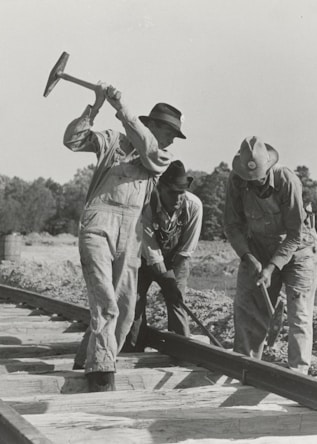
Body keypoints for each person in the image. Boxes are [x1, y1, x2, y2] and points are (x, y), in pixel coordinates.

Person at [64, 81, 186, 391]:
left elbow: (147, 148)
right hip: (98, 224)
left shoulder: (161, 157)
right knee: (106, 301)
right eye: (170, 131)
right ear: (153, 125)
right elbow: (73, 140)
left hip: (130, 232)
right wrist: (95, 106)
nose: (173, 138)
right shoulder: (112, 141)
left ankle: (88, 358)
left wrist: (122, 108)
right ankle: (101, 370)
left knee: (125, 307)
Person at [224, 136, 317, 374]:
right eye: (250, 182)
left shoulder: (287, 180)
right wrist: (247, 256)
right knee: (248, 308)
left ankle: (298, 375)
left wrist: (271, 267)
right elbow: (232, 226)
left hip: (298, 251)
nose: (256, 186)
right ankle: (245, 369)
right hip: (258, 247)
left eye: (260, 180)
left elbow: (295, 235)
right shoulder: (236, 181)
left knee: (299, 314)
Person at [124, 160, 203, 352]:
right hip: (143, 258)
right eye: (172, 193)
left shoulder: (193, 206)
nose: (177, 198)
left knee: (176, 300)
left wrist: (172, 281)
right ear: (160, 189)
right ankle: (132, 346)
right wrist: (163, 276)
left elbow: (187, 248)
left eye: (181, 193)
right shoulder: (146, 205)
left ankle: (181, 350)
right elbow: (148, 245)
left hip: (177, 258)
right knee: (134, 300)